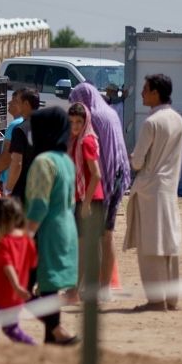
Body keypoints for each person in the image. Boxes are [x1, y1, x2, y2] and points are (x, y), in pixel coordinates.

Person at [124, 74, 182, 311]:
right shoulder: (178, 120)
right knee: (169, 243)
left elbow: (138, 162)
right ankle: (172, 298)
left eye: (145, 90)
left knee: (150, 246)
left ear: (155, 93)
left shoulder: (152, 122)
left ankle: (157, 300)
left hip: (150, 189)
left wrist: (132, 159)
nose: (142, 94)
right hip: (169, 189)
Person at [69, 82, 132, 299]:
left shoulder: (91, 117)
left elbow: (93, 163)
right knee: (107, 235)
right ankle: (105, 288)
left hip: (100, 184)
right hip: (118, 178)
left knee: (92, 238)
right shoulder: (111, 112)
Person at [23, 107, 80, 344]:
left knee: (22, 288)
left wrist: (26, 235)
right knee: (48, 288)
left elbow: (39, 204)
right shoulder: (66, 160)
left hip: (45, 230)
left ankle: (57, 331)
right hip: (66, 227)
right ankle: (52, 341)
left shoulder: (43, 161)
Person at [0, 197, 38, 345]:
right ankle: (35, 347)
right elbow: (33, 264)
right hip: (15, 297)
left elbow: (7, 266)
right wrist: (20, 288)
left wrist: (16, 286)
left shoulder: (2, 243)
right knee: (12, 330)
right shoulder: (27, 240)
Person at [68, 101, 105, 304]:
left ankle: (83, 290)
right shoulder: (75, 139)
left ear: (85, 122)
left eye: (79, 122)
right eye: (71, 121)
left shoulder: (86, 141)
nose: (74, 125)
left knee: (87, 248)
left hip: (90, 200)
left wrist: (87, 203)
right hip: (83, 198)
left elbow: (96, 175)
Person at [4, 89, 40, 198]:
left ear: (26, 104)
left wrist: (8, 189)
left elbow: (17, 163)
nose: (16, 104)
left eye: (18, 101)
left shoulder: (20, 130)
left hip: (23, 190)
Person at [0, 91, 25, 193]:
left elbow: (7, 156)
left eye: (14, 100)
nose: (9, 103)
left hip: (10, 182)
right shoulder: (30, 122)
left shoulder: (15, 125)